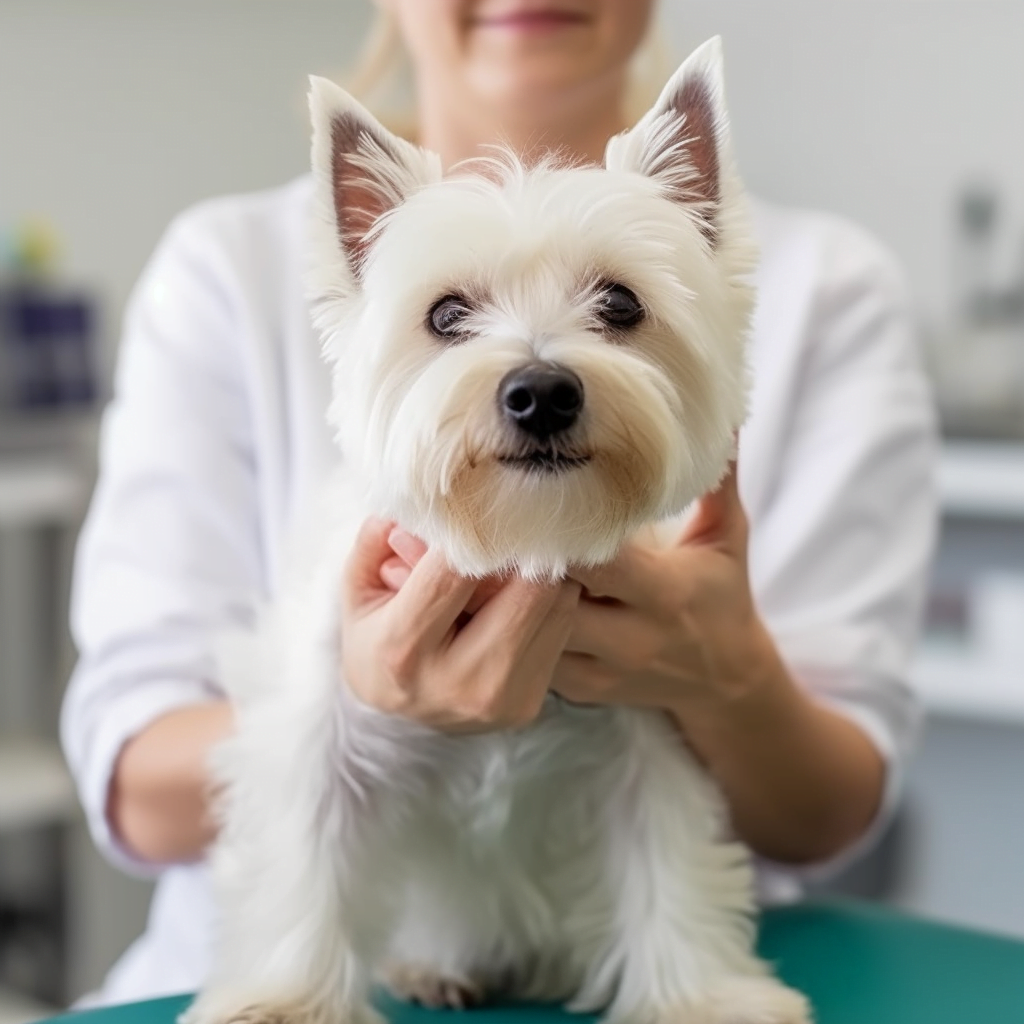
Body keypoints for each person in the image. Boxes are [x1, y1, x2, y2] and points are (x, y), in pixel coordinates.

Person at [61, 0, 937, 1008]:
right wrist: (359, 695)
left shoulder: (837, 287)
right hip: (222, 976)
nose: (537, 375)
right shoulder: (218, 264)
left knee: (635, 764)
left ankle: (681, 969)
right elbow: (126, 771)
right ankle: (296, 972)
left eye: (615, 307)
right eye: (449, 316)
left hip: (617, 972)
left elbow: (834, 807)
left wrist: (723, 674)